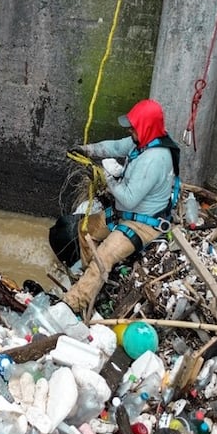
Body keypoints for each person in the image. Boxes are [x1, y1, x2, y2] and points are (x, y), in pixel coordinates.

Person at [61, 98, 181, 316]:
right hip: (125, 212)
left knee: (105, 255)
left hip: (143, 223)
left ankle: (70, 305)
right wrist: (87, 150)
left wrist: (110, 177)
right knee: (85, 228)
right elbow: (115, 146)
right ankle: (88, 278)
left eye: (133, 128)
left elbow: (129, 198)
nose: (130, 131)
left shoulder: (154, 159)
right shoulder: (143, 141)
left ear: (145, 127)